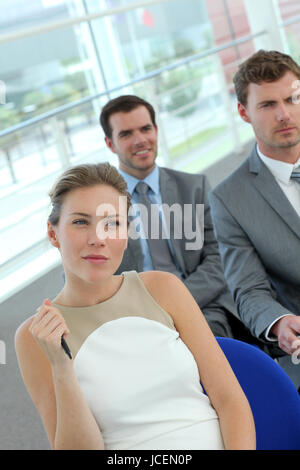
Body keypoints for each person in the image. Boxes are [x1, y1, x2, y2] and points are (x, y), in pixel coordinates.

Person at [14, 162, 255, 450]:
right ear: (53, 234)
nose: (97, 239)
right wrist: (62, 368)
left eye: (112, 223)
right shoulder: (36, 335)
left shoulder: (163, 289)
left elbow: (229, 399)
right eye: (80, 222)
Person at [99, 94, 247, 340]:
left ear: (156, 130)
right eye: (126, 134)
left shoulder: (193, 187)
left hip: (200, 304)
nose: (140, 140)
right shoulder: (99, 203)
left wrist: (175, 302)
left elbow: (219, 257)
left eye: (146, 129)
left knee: (213, 339)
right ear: (110, 143)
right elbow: (86, 275)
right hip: (134, 318)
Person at [208, 50, 300, 388]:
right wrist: (279, 323)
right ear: (244, 112)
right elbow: (248, 290)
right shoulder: (229, 199)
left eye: (292, 99)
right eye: (267, 105)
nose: (284, 114)